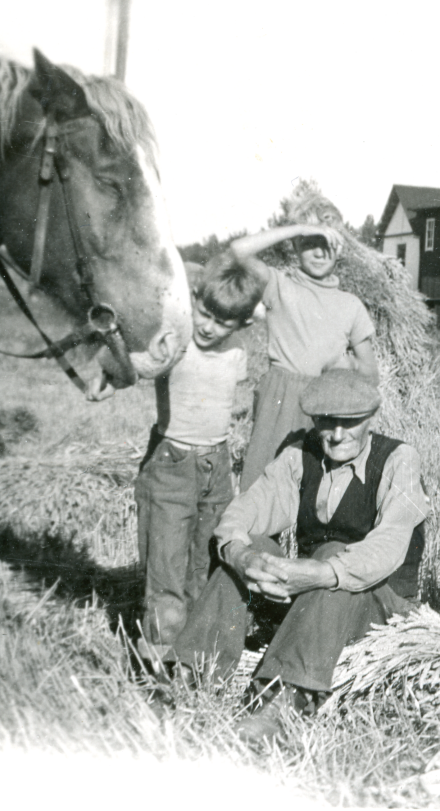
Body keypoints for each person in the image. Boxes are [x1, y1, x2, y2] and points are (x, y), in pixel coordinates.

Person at [170, 369, 428, 743]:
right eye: (326, 422)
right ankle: (190, 677)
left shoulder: (399, 459)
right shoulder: (300, 454)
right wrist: (242, 556)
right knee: (252, 547)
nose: (336, 435)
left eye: (349, 423)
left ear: (371, 420)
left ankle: (285, 700)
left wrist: (321, 571)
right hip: (314, 606)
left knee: (333, 553)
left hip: (380, 606)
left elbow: (388, 546)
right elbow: (248, 509)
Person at [128, 257, 262, 652]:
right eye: (203, 312)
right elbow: (136, 363)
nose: (207, 326)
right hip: (172, 463)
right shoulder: (175, 339)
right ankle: (158, 659)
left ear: (242, 325)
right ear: (193, 300)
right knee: (166, 566)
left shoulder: (237, 351)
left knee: (205, 564)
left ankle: (191, 656)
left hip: (216, 467)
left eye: (221, 322)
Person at [225, 222, 379, 492]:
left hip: (328, 401)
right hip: (280, 396)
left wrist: (348, 365)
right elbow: (237, 252)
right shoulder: (278, 285)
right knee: (261, 487)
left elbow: (370, 374)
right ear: (296, 246)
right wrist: (298, 228)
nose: (319, 253)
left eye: (327, 245)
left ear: (340, 250)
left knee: (319, 490)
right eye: (310, 243)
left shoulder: (351, 305)